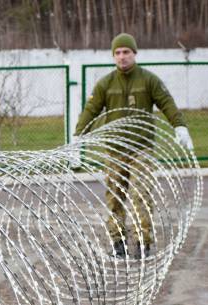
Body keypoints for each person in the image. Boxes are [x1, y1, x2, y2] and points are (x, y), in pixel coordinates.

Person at [74, 33, 194, 258]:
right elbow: (91, 110)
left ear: (134, 54)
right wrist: (78, 134)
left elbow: (166, 103)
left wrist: (180, 126)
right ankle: (117, 242)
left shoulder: (148, 80)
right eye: (118, 53)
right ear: (113, 56)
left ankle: (142, 242)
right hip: (115, 150)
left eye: (126, 52)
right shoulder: (106, 84)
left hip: (141, 148)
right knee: (115, 197)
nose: (122, 57)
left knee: (141, 195)